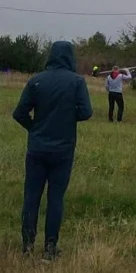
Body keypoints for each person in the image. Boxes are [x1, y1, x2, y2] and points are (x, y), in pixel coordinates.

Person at [12, 41, 93, 262]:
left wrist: (35, 128)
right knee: (56, 198)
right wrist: (66, 119)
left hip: (37, 147)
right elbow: (86, 112)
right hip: (63, 149)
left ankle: (27, 246)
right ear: (69, 57)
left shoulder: (36, 80)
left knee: (31, 197)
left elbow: (19, 113)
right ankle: (50, 248)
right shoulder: (76, 81)